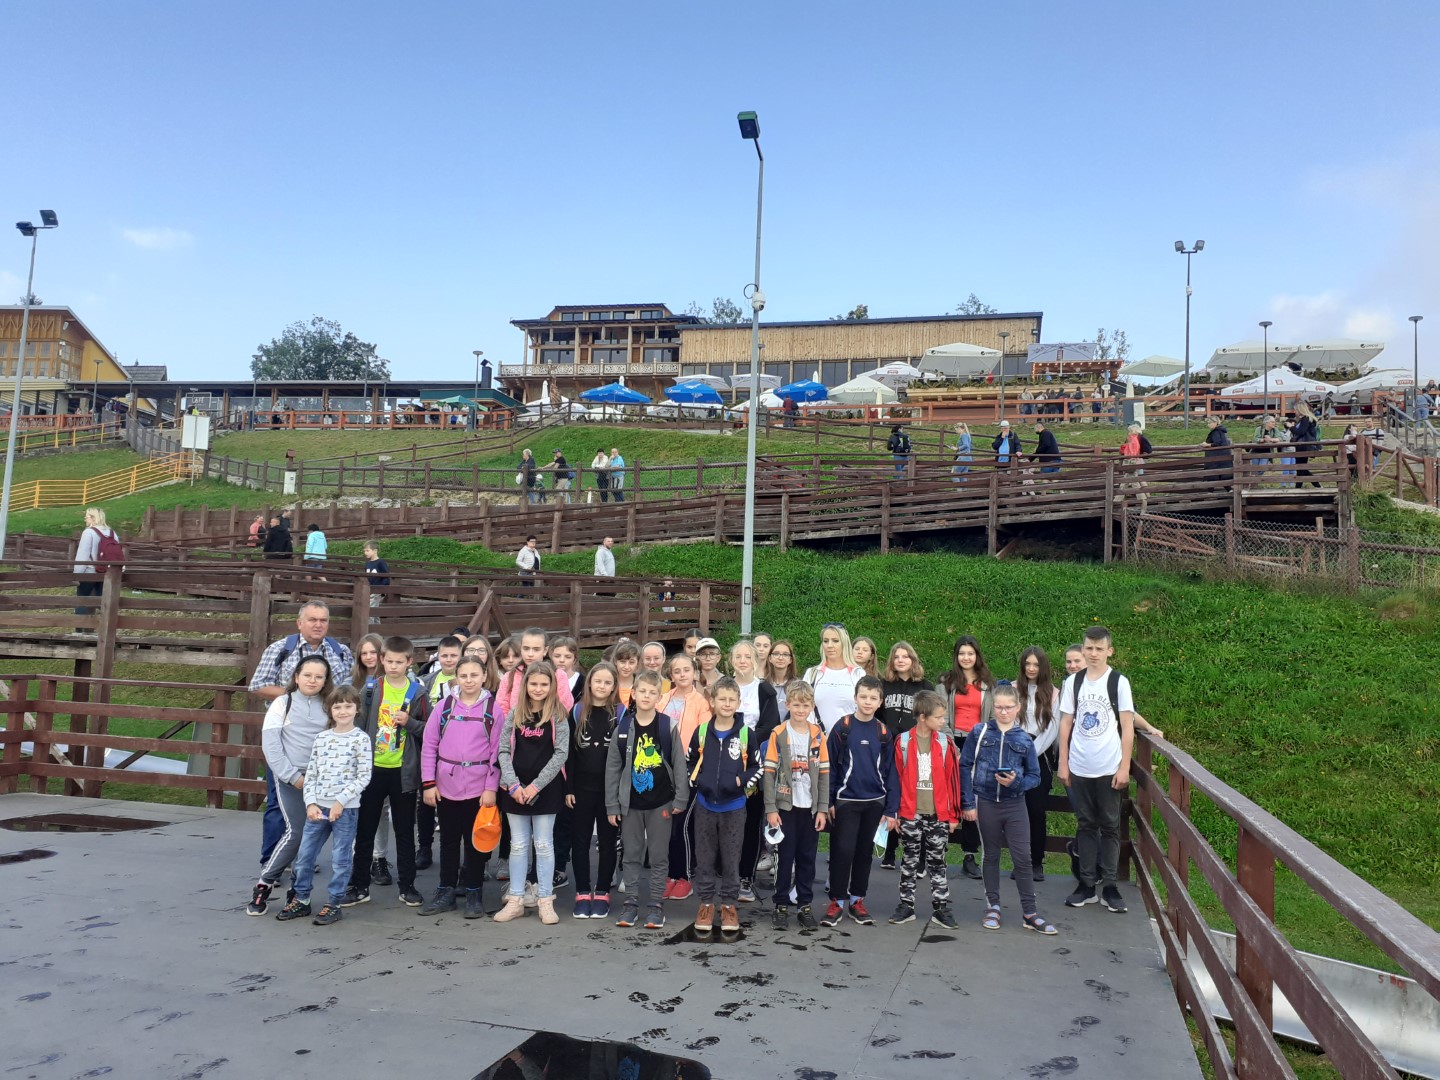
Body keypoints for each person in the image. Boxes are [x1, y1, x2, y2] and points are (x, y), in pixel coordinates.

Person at [248, 601, 354, 867]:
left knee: (314, 805)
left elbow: (347, 692)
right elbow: (258, 685)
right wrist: (299, 694)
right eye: (312, 620)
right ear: (299, 622)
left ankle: (303, 860)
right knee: (278, 804)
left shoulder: (340, 652)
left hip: (323, 742)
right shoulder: (280, 649)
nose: (318, 625)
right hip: (287, 739)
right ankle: (272, 859)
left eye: (323, 620)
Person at [274, 683, 372, 926]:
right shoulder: (322, 739)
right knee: (305, 856)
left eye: (348, 706)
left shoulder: (361, 739)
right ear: (330, 710)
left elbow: (364, 776)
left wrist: (341, 801)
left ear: (356, 708)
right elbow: (312, 774)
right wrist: (310, 803)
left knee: (340, 858)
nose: (343, 711)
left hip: (345, 810)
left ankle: (334, 902)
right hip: (318, 808)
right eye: (337, 707)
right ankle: (301, 899)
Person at [962, 684, 1057, 934]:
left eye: (1008, 707)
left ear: (1018, 708)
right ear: (992, 707)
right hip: (985, 801)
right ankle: (992, 907)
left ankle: (1030, 912)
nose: (1003, 712)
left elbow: (1035, 776)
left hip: (1014, 804)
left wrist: (1016, 783)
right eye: (999, 707)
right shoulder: (979, 732)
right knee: (990, 855)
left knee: (1023, 858)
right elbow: (965, 765)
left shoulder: (1024, 739)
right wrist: (968, 802)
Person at [247, 656, 335, 916]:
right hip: (290, 777)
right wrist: (294, 777)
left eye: (318, 677)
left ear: (325, 681)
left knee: (315, 833)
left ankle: (299, 889)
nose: (312, 681)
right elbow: (272, 746)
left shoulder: (330, 706)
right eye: (307, 675)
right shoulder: (282, 704)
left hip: (321, 780)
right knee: (296, 831)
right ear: (297, 677)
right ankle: (264, 883)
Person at [345, 636, 429, 908]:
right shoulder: (371, 689)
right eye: (389, 661)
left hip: (403, 772)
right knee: (365, 829)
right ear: (382, 660)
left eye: (399, 662)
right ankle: (359, 885)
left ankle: (408, 886)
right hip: (373, 769)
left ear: (409, 662)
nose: (393, 666)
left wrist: (410, 722)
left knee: (404, 831)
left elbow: (430, 730)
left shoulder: (418, 692)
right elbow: (357, 726)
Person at [1057, 625, 1136, 914]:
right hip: (1079, 766)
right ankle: (1087, 884)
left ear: (1109, 651)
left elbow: (1127, 726)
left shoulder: (1118, 682)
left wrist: (1124, 766)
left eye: (1099, 649)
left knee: (1110, 827)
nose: (1093, 653)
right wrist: (1063, 762)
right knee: (1086, 825)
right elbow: (1066, 722)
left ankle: (1110, 886)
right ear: (1083, 648)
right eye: (1089, 648)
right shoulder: (1073, 682)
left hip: (1108, 767)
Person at [418, 656, 500, 919]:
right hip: (446, 786)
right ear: (457, 677)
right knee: (449, 841)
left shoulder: (494, 710)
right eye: (464, 676)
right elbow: (429, 746)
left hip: (478, 788)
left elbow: (498, 752)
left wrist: (491, 787)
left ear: (484, 676)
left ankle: (474, 891)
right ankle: (446, 890)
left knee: (476, 842)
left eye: (474, 675)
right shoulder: (444, 706)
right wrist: (428, 783)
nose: (469, 681)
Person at [607, 669, 688, 929]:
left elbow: (679, 764)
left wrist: (680, 799)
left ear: (659, 697)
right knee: (631, 855)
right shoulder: (623, 728)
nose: (646, 696)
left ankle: (655, 904)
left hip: (661, 803)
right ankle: (630, 903)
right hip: (630, 805)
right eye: (642, 691)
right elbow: (613, 768)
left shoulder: (667, 726)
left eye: (652, 692)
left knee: (659, 856)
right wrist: (612, 804)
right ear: (633, 693)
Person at [493, 661, 571, 926]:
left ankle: (545, 899)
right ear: (525, 684)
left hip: (545, 791)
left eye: (544, 684)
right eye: (533, 683)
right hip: (515, 790)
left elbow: (561, 754)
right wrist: (513, 785)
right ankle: (515, 899)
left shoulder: (558, 715)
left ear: (552, 686)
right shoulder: (516, 713)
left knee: (544, 845)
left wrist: (536, 786)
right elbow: (503, 750)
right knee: (518, 845)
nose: (538, 689)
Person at [686, 677, 759, 934]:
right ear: (712, 702)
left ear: (738, 703)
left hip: (734, 807)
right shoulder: (702, 732)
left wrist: (740, 780)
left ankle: (728, 904)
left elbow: (757, 767)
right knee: (704, 857)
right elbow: (690, 761)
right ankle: (706, 903)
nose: (727, 704)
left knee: (731, 858)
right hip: (705, 806)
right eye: (722, 699)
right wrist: (698, 781)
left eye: (732, 699)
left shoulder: (746, 734)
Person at [885, 689, 961, 928]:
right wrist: (895, 812)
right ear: (922, 717)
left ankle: (941, 907)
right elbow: (895, 779)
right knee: (909, 860)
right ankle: (906, 905)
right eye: (938, 717)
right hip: (910, 813)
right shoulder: (903, 742)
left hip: (938, 814)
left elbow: (953, 779)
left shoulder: (945, 743)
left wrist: (953, 814)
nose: (942, 721)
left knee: (938, 861)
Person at [823, 675, 894, 927]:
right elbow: (829, 766)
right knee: (842, 851)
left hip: (875, 802)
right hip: (846, 801)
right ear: (855, 698)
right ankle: (837, 901)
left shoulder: (883, 732)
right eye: (863, 696)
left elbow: (891, 772)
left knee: (864, 853)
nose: (867, 701)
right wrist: (828, 801)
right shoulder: (842, 727)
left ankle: (857, 900)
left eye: (873, 698)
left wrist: (891, 809)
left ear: (880, 702)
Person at [763, 679, 829, 931]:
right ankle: (780, 904)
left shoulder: (818, 735)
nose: (801, 710)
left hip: (810, 809)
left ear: (812, 706)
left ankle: (804, 905)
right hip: (785, 808)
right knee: (784, 858)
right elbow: (769, 773)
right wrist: (771, 808)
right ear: (788, 704)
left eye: (805, 705)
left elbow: (824, 774)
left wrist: (822, 808)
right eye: (796, 705)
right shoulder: (778, 734)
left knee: (807, 859)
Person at [568, 662, 621, 920]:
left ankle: (602, 892)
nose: (602, 686)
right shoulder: (578, 711)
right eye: (597, 681)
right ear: (589, 683)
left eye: (607, 682)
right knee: (579, 841)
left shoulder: (621, 714)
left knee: (608, 842)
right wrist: (568, 787)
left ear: (614, 686)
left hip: (609, 791)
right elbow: (569, 753)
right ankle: (582, 892)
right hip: (581, 788)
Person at [729, 640, 782, 903]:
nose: (742, 661)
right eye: (738, 656)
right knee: (725, 824)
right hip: (725, 764)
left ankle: (745, 878)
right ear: (731, 660)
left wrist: (745, 743)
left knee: (750, 823)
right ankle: (725, 875)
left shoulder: (765, 690)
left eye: (747, 656)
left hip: (753, 765)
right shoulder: (723, 687)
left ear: (755, 660)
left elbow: (771, 726)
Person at [940, 635, 995, 880]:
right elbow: (940, 718)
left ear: (977, 656)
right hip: (951, 742)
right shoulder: (945, 682)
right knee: (948, 795)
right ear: (956, 656)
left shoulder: (988, 684)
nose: (966, 657)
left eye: (970, 653)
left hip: (979, 742)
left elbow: (992, 717)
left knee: (973, 798)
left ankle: (969, 855)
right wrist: (954, 747)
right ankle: (938, 851)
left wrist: (981, 744)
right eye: (961, 653)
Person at [658, 652, 711, 900]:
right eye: (677, 671)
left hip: (688, 770)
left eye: (686, 670)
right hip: (663, 769)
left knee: (683, 826)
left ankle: (685, 876)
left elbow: (704, 737)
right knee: (666, 826)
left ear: (695, 673)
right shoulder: (663, 699)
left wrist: (694, 770)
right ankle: (670, 874)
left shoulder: (701, 702)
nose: (682, 675)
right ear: (671, 675)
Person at [877, 641, 934, 870]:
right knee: (892, 794)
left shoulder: (925, 687)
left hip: (915, 748)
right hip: (889, 747)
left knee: (915, 797)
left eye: (905, 656)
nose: (900, 660)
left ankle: (918, 855)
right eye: (896, 657)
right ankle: (890, 850)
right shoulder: (884, 685)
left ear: (913, 660)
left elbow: (929, 718)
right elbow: (877, 714)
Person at [1015, 646, 1060, 882]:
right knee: (1016, 812)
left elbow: (1053, 728)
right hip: (1014, 753)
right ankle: (1019, 862)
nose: (1031, 668)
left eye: (1036, 664)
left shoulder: (1054, 693)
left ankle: (1036, 862)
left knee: (1036, 810)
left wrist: (1030, 752)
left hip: (1040, 756)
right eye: (1028, 664)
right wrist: (1017, 750)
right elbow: (1007, 719)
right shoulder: (1012, 689)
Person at [802, 624, 864, 733]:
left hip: (848, 737)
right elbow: (802, 706)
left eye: (835, 641)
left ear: (844, 643)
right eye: (825, 641)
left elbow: (864, 709)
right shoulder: (812, 674)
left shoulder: (858, 674)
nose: (829, 645)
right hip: (816, 738)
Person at [73, 507, 121, 615]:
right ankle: (103, 624)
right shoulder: (112, 533)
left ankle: (80, 625)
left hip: (90, 572)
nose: (85, 518)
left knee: (82, 599)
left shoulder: (88, 532)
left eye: (87, 516)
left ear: (93, 518)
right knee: (104, 602)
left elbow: (82, 555)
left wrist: (77, 574)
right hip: (108, 573)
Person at [763, 638, 797, 720]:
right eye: (776, 654)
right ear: (770, 658)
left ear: (790, 660)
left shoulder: (797, 686)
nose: (780, 658)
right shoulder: (762, 686)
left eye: (785, 654)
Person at [1291, 402, 1322, 487]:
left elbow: (1301, 432)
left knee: (1301, 467)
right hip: (1303, 445)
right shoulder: (1306, 419)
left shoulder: (1306, 419)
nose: (1295, 412)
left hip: (1304, 446)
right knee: (1301, 467)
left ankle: (1316, 485)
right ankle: (1300, 487)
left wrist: (1291, 427)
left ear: (1300, 410)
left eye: (1296, 410)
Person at [363, 541, 389, 622]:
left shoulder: (381, 562)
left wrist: (382, 589)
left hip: (377, 591)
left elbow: (386, 576)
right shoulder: (367, 564)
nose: (365, 553)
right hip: (369, 590)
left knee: (370, 611)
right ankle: (377, 627)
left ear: (375, 551)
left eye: (367, 550)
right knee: (375, 612)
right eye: (364, 551)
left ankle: (369, 627)